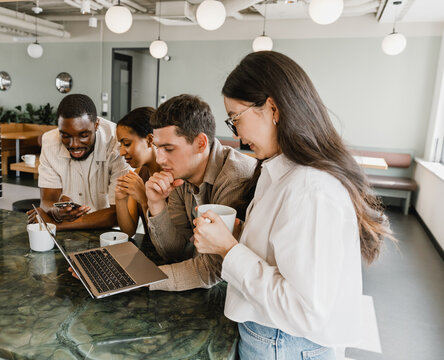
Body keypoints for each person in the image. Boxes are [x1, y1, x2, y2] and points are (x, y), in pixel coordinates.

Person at [192, 51, 393, 359]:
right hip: (276, 339)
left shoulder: (310, 188)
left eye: (236, 119)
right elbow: (284, 250)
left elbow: (303, 310)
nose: (239, 136)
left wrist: (228, 250)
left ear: (272, 108)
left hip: (282, 343)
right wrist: (241, 234)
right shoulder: (281, 170)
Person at [144, 94, 257, 291]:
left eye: (168, 149)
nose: (160, 159)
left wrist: (137, 280)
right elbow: (173, 251)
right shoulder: (181, 174)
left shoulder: (235, 177)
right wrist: (156, 204)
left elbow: (213, 269)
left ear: (201, 143)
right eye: (157, 148)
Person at [29, 94, 131, 230]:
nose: (75, 145)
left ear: (96, 125)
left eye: (83, 135)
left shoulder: (117, 144)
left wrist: (58, 226)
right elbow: (47, 201)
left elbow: (118, 213)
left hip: (112, 233)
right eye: (65, 136)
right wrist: (57, 211)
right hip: (73, 234)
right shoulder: (50, 142)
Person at [114, 107, 161, 239]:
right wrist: (120, 200)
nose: (122, 152)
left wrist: (145, 200)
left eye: (127, 143)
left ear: (150, 140)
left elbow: (164, 241)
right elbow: (128, 232)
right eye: (121, 145)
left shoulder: (171, 177)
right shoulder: (140, 172)